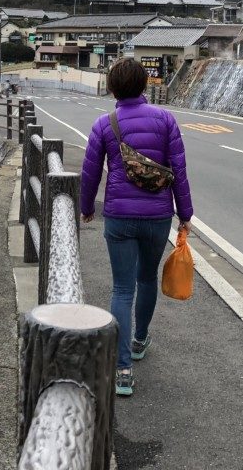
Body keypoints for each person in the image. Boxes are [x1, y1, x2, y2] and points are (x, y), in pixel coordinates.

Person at [80, 58, 192, 397]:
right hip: (158, 216)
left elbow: (90, 173)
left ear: (112, 88)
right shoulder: (166, 120)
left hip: (119, 217)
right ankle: (140, 339)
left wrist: (86, 208)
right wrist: (184, 213)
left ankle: (123, 369)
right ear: (145, 85)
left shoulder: (104, 123)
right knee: (146, 279)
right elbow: (179, 170)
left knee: (121, 290)